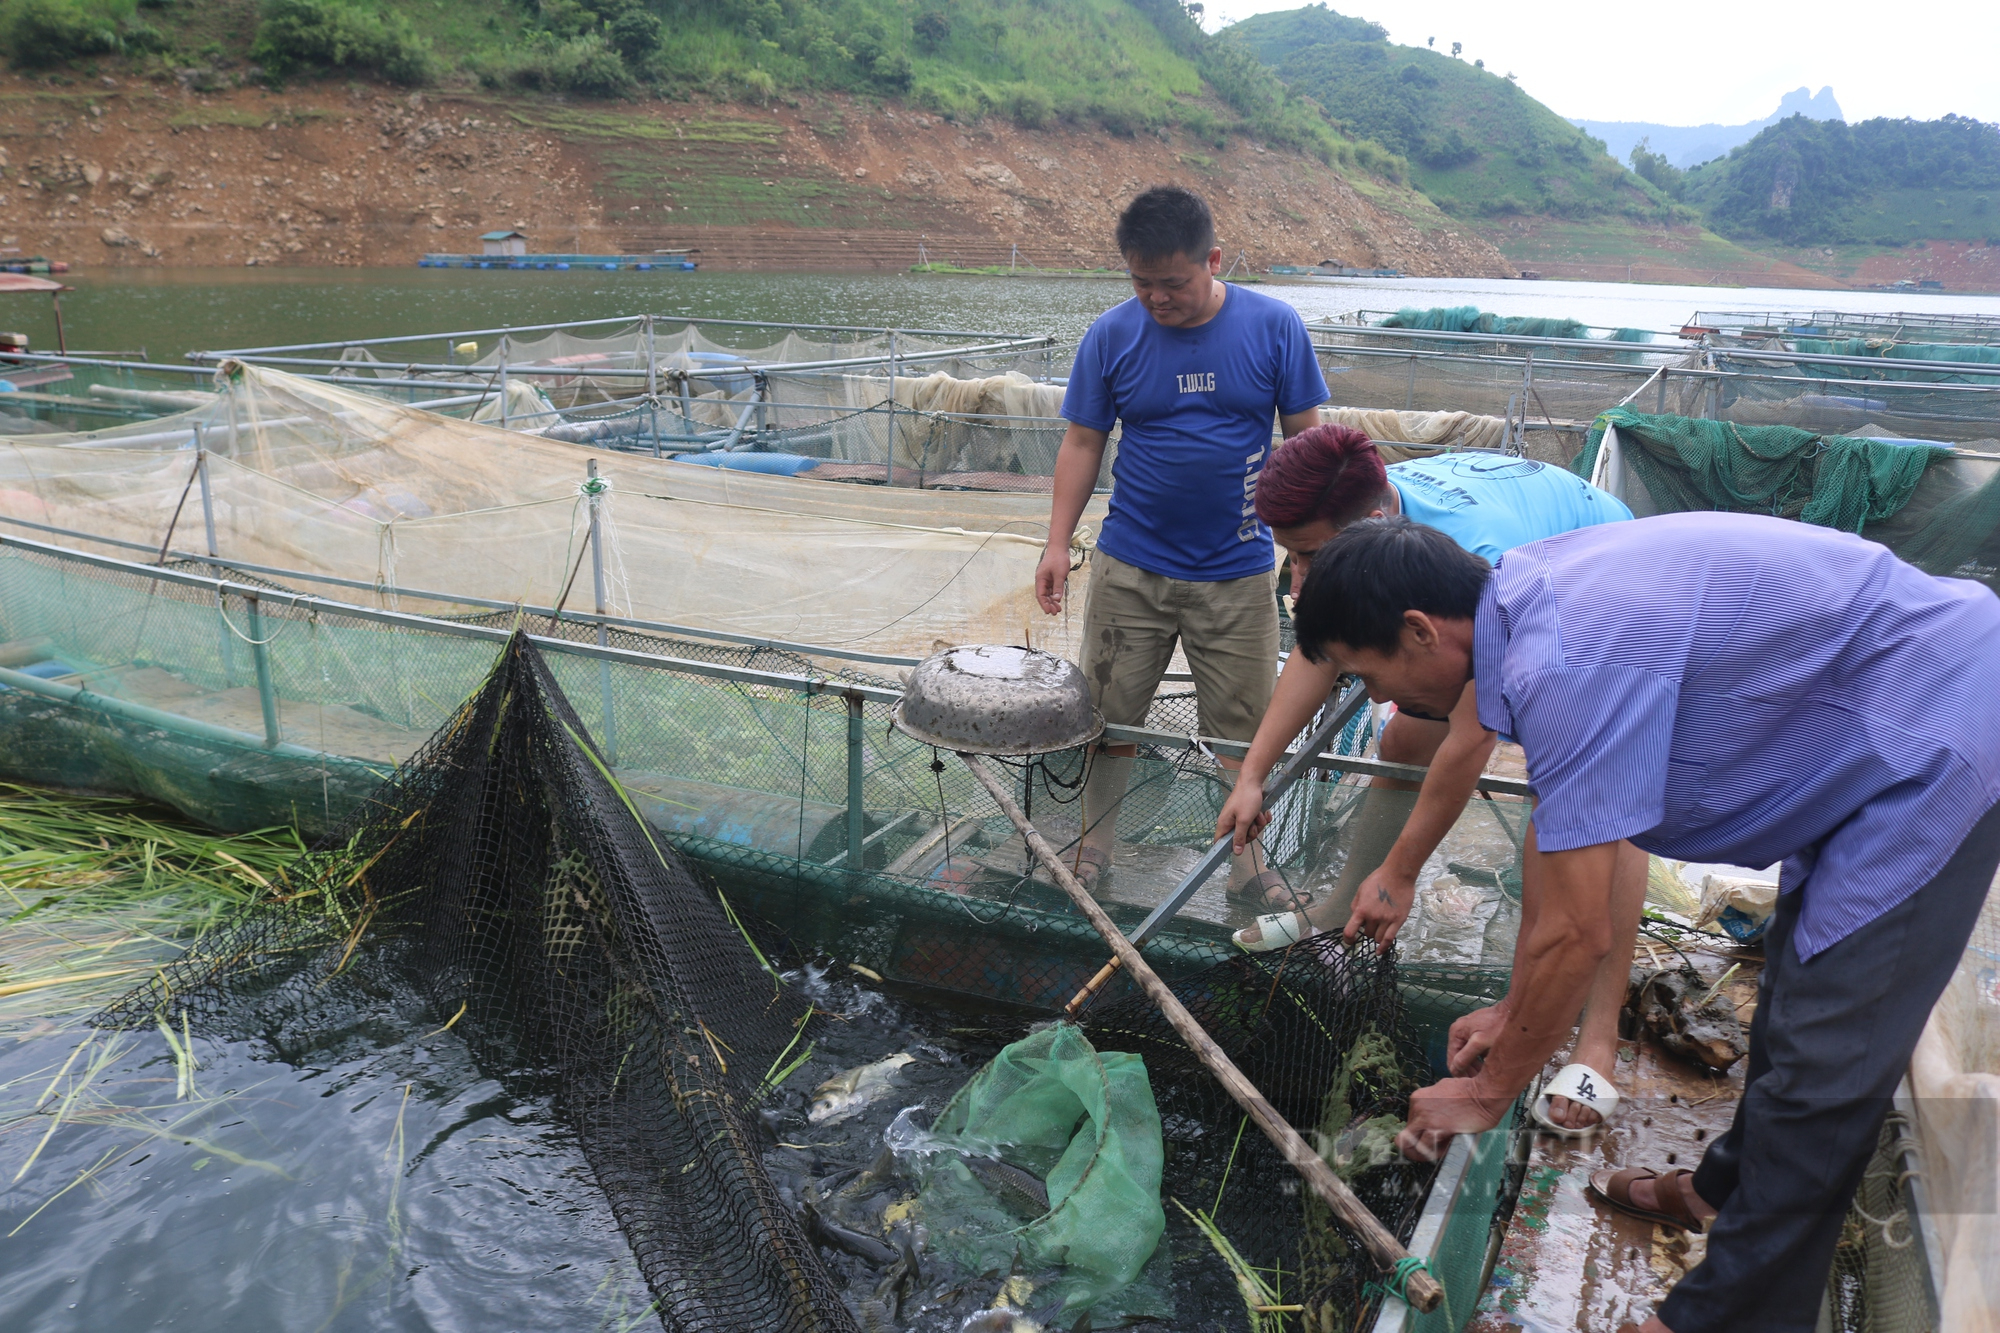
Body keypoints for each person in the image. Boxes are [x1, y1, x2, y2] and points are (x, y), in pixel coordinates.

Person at [1292, 513, 2000, 1333]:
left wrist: (1489, 1091)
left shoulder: (1563, 662)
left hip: (1940, 730)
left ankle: (1723, 1317)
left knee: (1829, 1067)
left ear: (1419, 630)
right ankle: (1720, 1190)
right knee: (1795, 1001)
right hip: (1864, 740)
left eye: (1365, 671)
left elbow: (1582, 931)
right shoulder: (1522, 609)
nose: (1377, 698)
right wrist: (1514, 1007)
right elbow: (1561, 869)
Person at [1216, 424, 1637, 1133]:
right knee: (1406, 733)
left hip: (1603, 578)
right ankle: (1339, 907)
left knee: (1597, 798)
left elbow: (1474, 736)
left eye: (1310, 556)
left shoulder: (1488, 562)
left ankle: (1598, 1032)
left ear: (1376, 521)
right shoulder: (1374, 517)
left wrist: (1404, 871)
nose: (1298, 578)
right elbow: (1321, 651)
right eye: (1289, 558)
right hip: (1506, 563)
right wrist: (1254, 773)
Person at [1037, 184, 1327, 909]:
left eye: (1173, 282)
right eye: (1141, 282)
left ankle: (1248, 865)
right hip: (1130, 567)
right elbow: (1081, 441)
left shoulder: (1274, 326)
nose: (1157, 298)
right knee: (1107, 719)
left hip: (1235, 573)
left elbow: (1309, 444)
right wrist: (1055, 542)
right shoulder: (1112, 335)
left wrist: (1311, 554)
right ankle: (1093, 847)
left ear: (1213, 260)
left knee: (1244, 733)